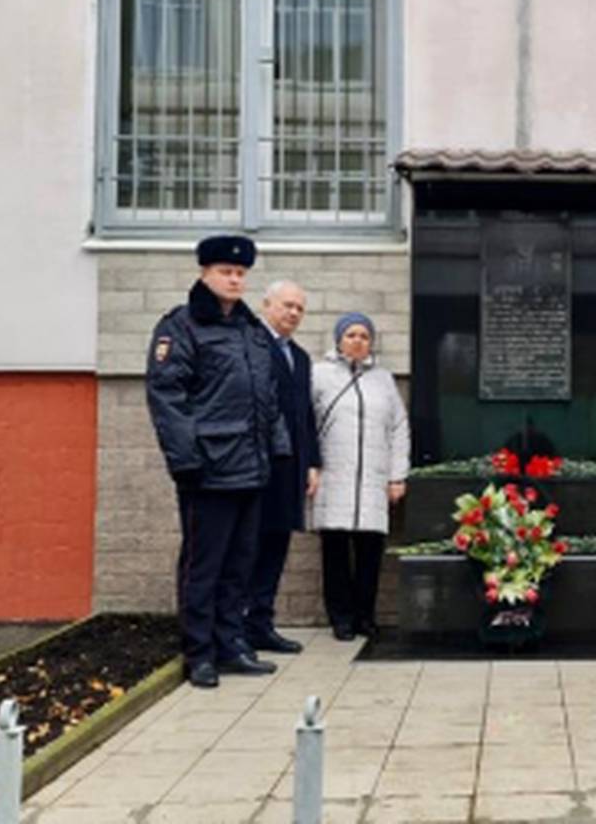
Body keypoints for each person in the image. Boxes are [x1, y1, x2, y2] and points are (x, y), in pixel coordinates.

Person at [145, 235, 291, 689]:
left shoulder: (250, 331)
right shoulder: (181, 326)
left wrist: (278, 447)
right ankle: (199, 654)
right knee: (203, 566)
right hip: (208, 470)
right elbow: (167, 397)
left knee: (239, 564)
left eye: (241, 273)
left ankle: (232, 645)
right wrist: (185, 460)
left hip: (251, 466)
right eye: (226, 272)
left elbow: (267, 396)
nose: (234, 279)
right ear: (205, 273)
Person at [311, 312, 409, 641]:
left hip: (372, 482)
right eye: (351, 334)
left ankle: (364, 616)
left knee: (370, 554)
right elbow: (306, 425)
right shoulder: (319, 376)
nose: (358, 341)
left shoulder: (383, 380)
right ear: (339, 339)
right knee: (335, 553)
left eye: (364, 336)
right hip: (333, 478)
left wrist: (397, 476)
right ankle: (340, 617)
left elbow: (398, 429)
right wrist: (309, 468)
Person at [244, 280, 321, 655]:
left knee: (276, 546)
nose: (293, 313)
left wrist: (312, 463)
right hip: (257, 466)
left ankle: (261, 623)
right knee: (249, 547)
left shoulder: (301, 357)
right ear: (266, 304)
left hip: (291, 468)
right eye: (287, 305)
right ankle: (236, 627)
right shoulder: (250, 345)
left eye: (300, 308)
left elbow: (305, 415)